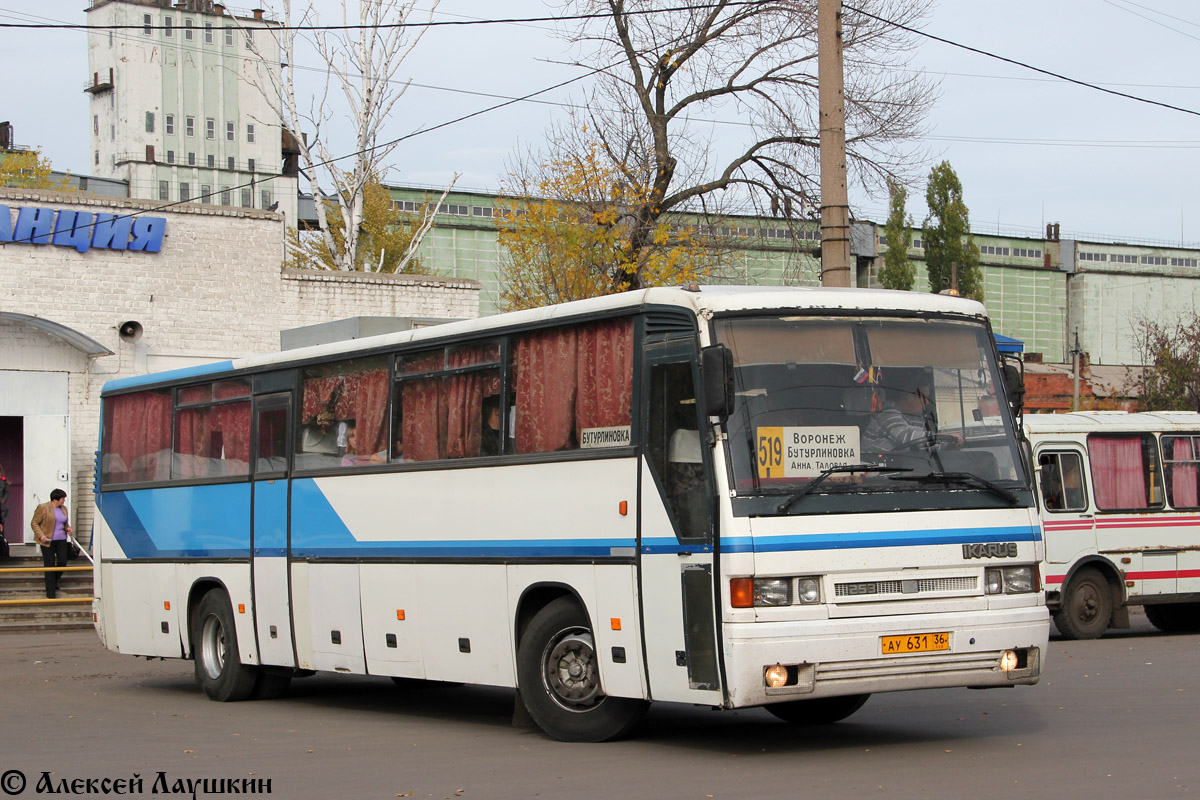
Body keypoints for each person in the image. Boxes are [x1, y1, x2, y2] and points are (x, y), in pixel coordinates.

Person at [862, 381, 960, 457]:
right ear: (909, 396)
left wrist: (947, 444)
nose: (927, 402)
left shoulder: (917, 417)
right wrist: (945, 437)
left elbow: (923, 443)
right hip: (870, 469)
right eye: (923, 397)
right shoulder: (887, 412)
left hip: (900, 467)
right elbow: (905, 436)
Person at [31, 488, 71, 599]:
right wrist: (41, 535)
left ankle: (54, 581)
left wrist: (68, 528)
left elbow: (64, 523)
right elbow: (34, 523)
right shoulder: (43, 508)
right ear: (55, 499)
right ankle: (50, 592)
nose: (64, 501)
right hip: (47, 540)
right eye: (62, 499)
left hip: (61, 539)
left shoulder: (64, 509)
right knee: (49, 564)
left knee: (63, 561)